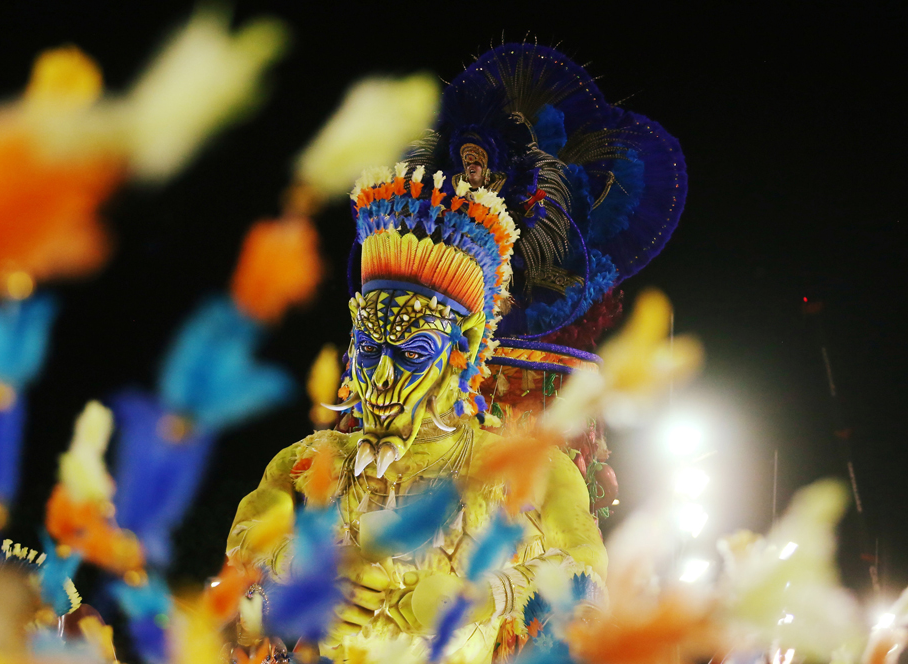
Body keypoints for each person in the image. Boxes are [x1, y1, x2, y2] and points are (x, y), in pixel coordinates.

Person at [226, 42, 687, 663]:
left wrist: (486, 596)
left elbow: (586, 589)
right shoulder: (305, 466)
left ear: (460, 349)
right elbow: (243, 562)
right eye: (370, 347)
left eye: (412, 348)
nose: (381, 374)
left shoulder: (532, 472)